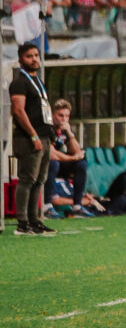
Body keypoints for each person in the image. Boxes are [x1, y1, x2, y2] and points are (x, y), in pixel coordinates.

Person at [9, 43, 57, 235]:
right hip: (29, 138)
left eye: (36, 55)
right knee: (27, 179)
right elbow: (18, 111)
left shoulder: (38, 81)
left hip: (44, 136)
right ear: (21, 60)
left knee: (39, 180)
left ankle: (34, 219)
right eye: (29, 56)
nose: (34, 59)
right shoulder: (19, 82)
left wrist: (50, 132)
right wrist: (33, 135)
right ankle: (22, 222)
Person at [43, 99, 92, 219]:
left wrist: (69, 133)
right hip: (41, 165)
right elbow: (52, 154)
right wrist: (73, 157)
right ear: (52, 115)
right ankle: (46, 206)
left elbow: (77, 151)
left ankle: (77, 207)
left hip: (58, 164)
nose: (64, 119)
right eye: (60, 115)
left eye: (67, 116)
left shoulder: (65, 130)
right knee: (54, 163)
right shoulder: (46, 128)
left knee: (81, 164)